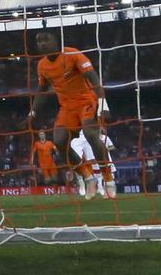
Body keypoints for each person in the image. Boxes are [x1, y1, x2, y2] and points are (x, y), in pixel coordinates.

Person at [28, 31, 115, 200]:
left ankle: (109, 180)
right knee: (59, 142)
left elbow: (94, 78)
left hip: (86, 101)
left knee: (91, 134)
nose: (42, 44)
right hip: (67, 107)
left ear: (57, 41)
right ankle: (88, 178)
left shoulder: (73, 54)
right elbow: (42, 90)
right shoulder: (42, 66)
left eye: (46, 40)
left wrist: (103, 104)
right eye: (39, 41)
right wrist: (32, 113)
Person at [70, 129, 116, 198]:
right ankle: (81, 182)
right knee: (75, 160)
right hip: (77, 136)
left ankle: (101, 186)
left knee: (94, 160)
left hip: (88, 134)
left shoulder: (104, 136)